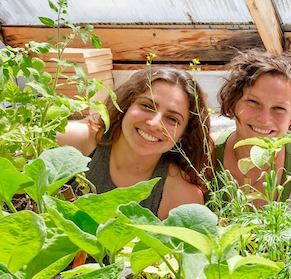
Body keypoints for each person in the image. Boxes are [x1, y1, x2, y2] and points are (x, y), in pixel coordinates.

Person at [58, 67, 213, 219]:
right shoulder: (74, 142)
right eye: (147, 106)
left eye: (172, 119)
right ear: (126, 105)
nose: (154, 123)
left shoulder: (183, 198)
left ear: (183, 135)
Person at [215, 49, 291, 205]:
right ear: (233, 102)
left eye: (279, 108)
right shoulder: (205, 152)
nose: (264, 119)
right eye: (253, 102)